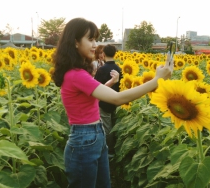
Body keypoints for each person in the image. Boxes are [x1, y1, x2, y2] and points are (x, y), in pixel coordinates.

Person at [52, 17, 173, 188]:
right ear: (75, 42)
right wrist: (156, 81)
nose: (95, 45)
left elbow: (89, 94)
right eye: (90, 39)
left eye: (96, 39)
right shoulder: (76, 74)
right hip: (85, 140)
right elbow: (117, 99)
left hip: (94, 135)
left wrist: (109, 84)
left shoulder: (77, 73)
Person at [94, 44, 122, 158]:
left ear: (103, 54)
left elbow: (96, 86)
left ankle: (109, 150)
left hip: (104, 102)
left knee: (106, 127)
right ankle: (113, 147)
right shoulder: (119, 69)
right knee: (113, 124)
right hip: (116, 100)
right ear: (115, 54)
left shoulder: (102, 69)